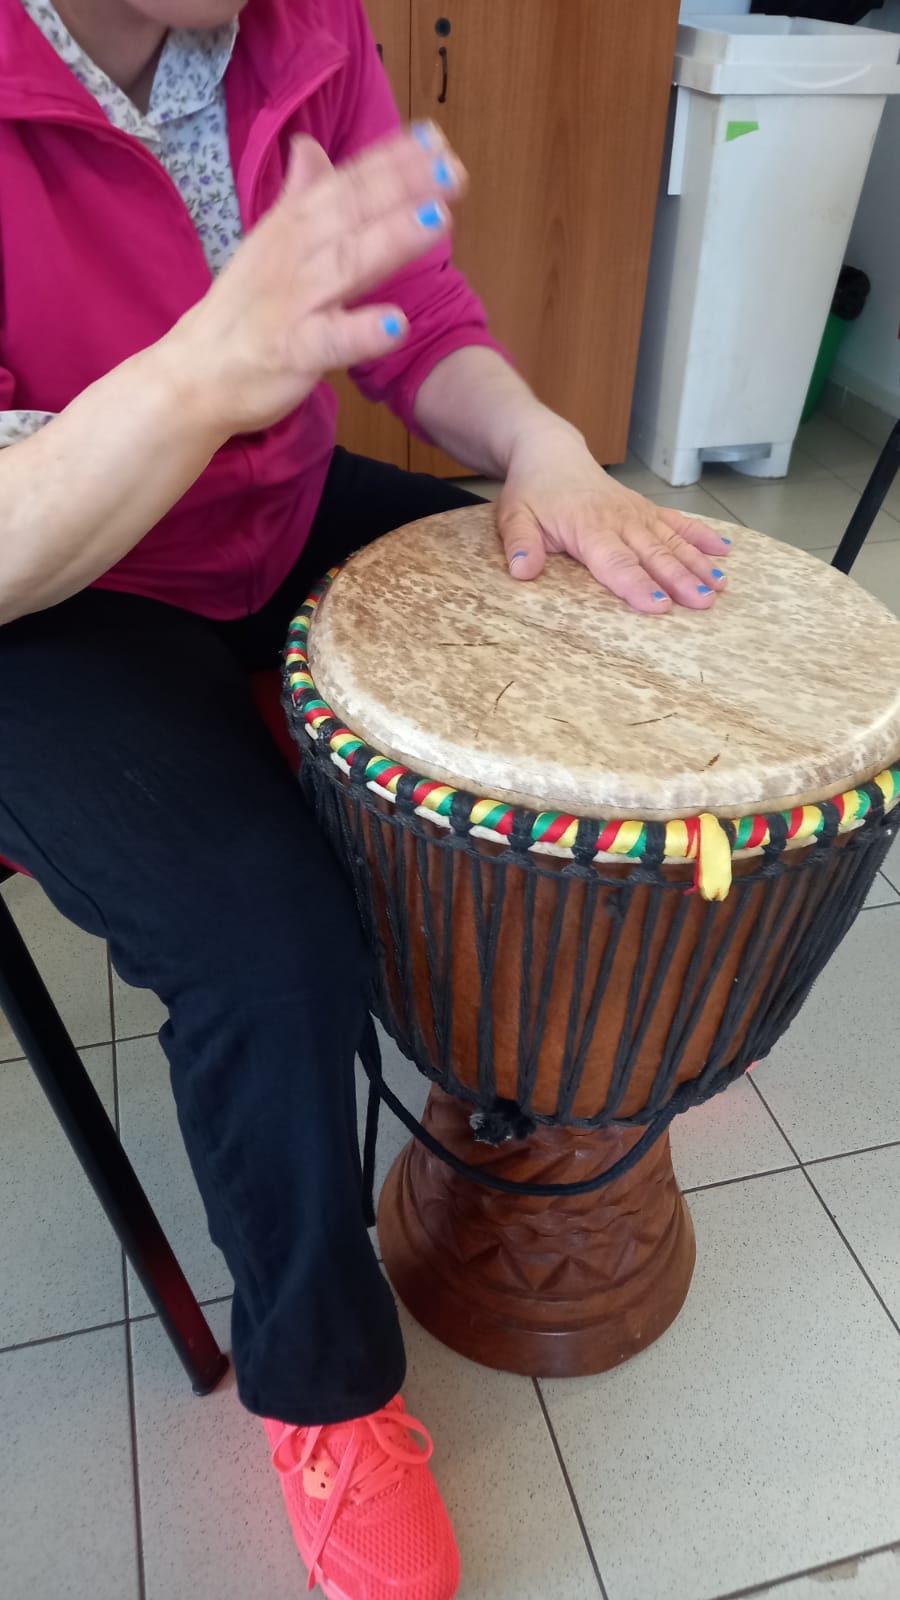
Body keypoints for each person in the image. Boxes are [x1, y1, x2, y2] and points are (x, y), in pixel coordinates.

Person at [0, 0, 732, 1594]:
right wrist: (200, 372)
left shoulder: (301, 23)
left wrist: (541, 443)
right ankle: (326, 1391)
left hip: (265, 514)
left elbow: (409, 310)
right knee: (268, 946)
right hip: (54, 594)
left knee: (568, 623)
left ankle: (541, 1070)